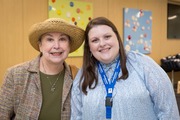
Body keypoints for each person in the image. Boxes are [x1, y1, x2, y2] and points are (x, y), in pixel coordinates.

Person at [71, 17, 180, 120]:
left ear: (117, 38)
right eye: (95, 40)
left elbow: (168, 111)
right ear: (89, 47)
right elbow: (77, 117)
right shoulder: (82, 76)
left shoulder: (144, 65)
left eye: (107, 37)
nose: (102, 43)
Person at [0, 18, 84, 119]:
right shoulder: (15, 75)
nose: (56, 46)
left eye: (62, 39)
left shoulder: (78, 77)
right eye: (50, 39)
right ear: (40, 45)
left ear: (69, 45)